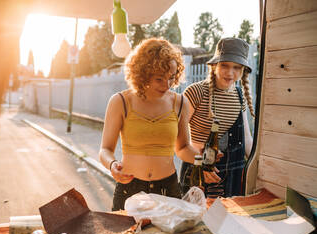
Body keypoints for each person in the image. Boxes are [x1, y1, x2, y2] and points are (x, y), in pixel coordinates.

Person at [99, 38, 200, 211]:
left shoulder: (180, 102)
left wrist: (202, 162)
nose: (167, 85)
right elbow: (105, 150)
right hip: (129, 190)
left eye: (171, 78)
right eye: (159, 79)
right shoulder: (120, 101)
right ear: (143, 74)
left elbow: (182, 148)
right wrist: (112, 165)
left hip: (168, 190)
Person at [180, 37, 255, 198]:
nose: (230, 73)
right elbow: (176, 140)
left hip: (231, 177)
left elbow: (247, 140)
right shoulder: (196, 92)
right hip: (198, 173)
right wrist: (200, 165)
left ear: (242, 70)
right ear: (214, 65)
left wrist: (261, 169)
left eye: (236, 67)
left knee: (227, 220)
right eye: (225, 65)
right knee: (198, 220)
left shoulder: (239, 96)